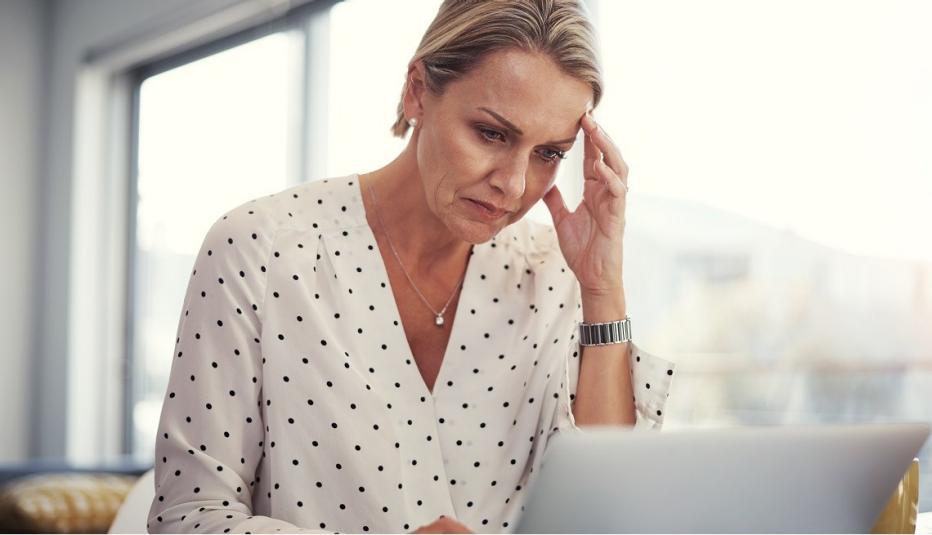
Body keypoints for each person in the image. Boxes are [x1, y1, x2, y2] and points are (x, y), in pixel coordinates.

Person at [147, 0, 675, 533]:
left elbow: (607, 512)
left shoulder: (557, 277)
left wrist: (602, 286)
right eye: (492, 134)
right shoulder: (260, 251)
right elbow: (188, 516)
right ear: (417, 90)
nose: (515, 186)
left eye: (549, 154)